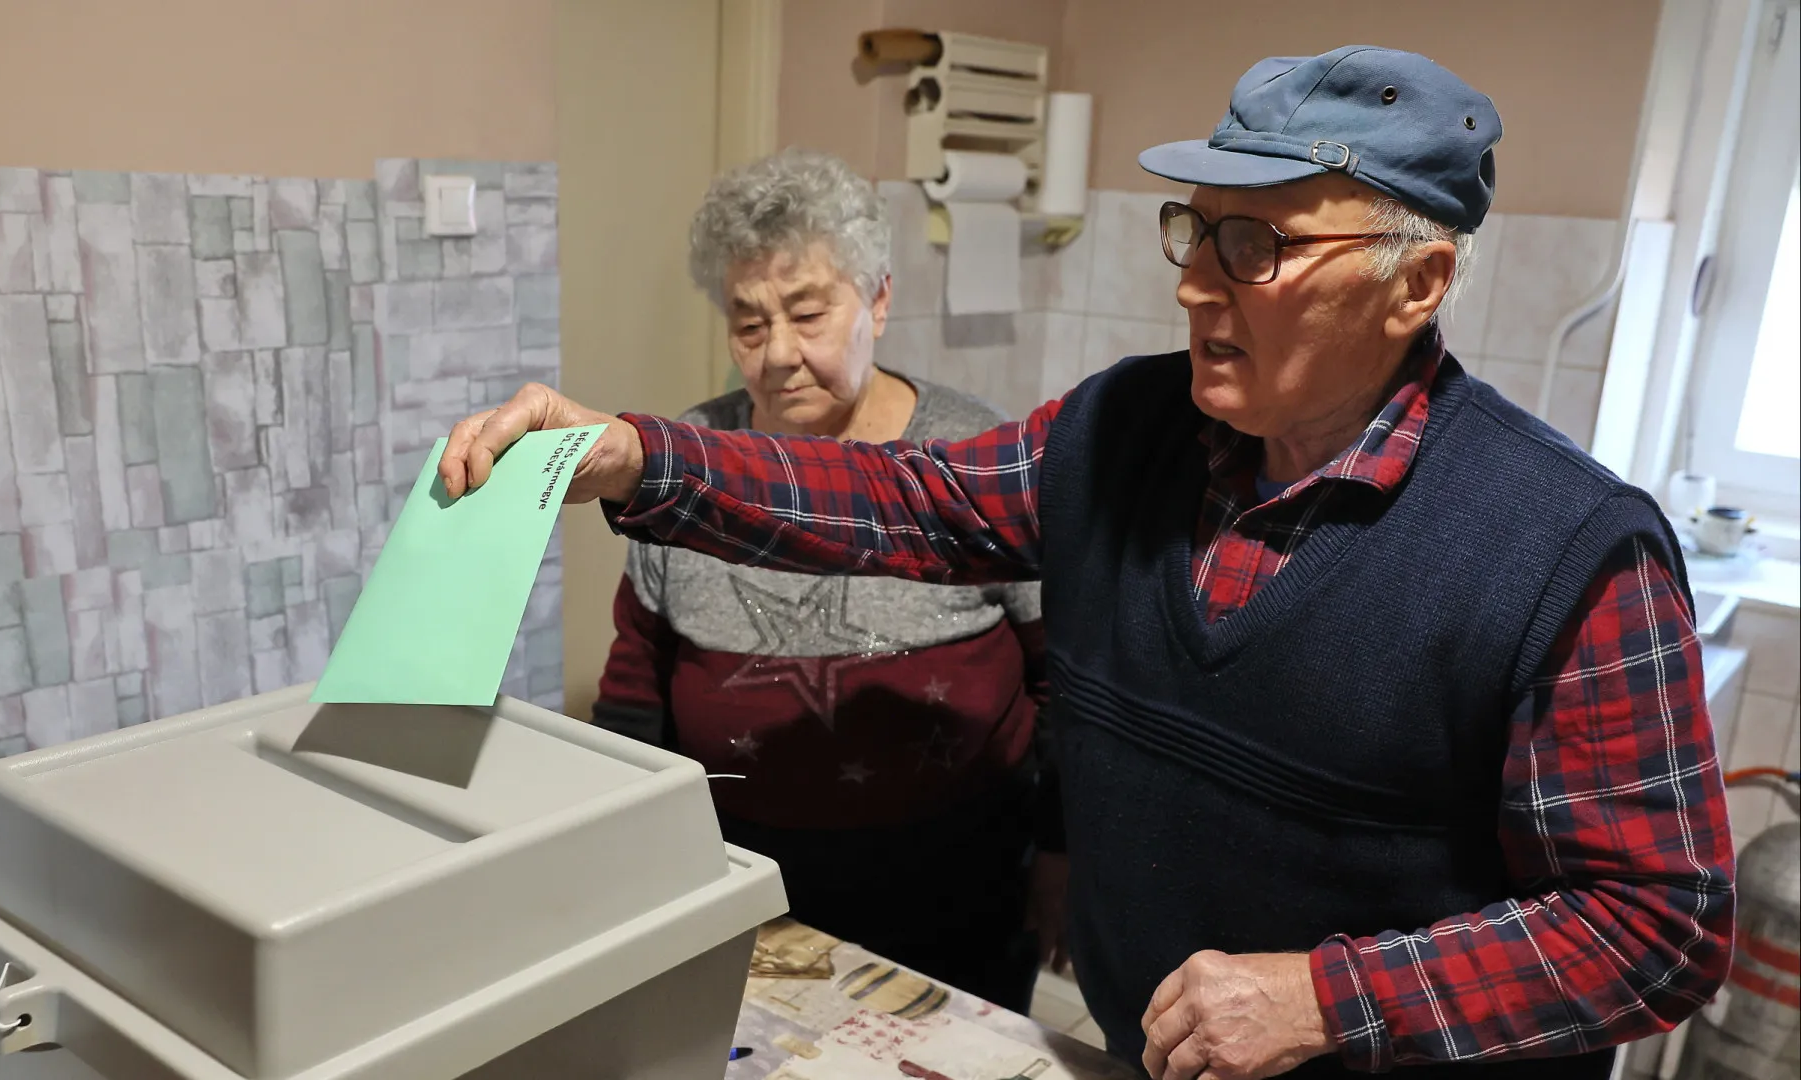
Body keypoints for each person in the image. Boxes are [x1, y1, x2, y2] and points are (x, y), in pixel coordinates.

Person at [444, 47, 1734, 1080]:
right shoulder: (1124, 428)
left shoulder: (1566, 548)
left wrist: (1328, 1000)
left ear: (1419, 283)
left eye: (1260, 247)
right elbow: (909, 499)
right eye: (1198, 230)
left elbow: (1658, 926)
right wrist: (634, 455)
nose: (1196, 287)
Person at [588, 149, 1063, 1014]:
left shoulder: (970, 455)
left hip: (959, 890)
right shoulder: (685, 466)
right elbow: (634, 685)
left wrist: (1064, 856)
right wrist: (630, 857)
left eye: (808, 314)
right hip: (746, 886)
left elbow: (1061, 675)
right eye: (748, 323)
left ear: (878, 299)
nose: (777, 356)